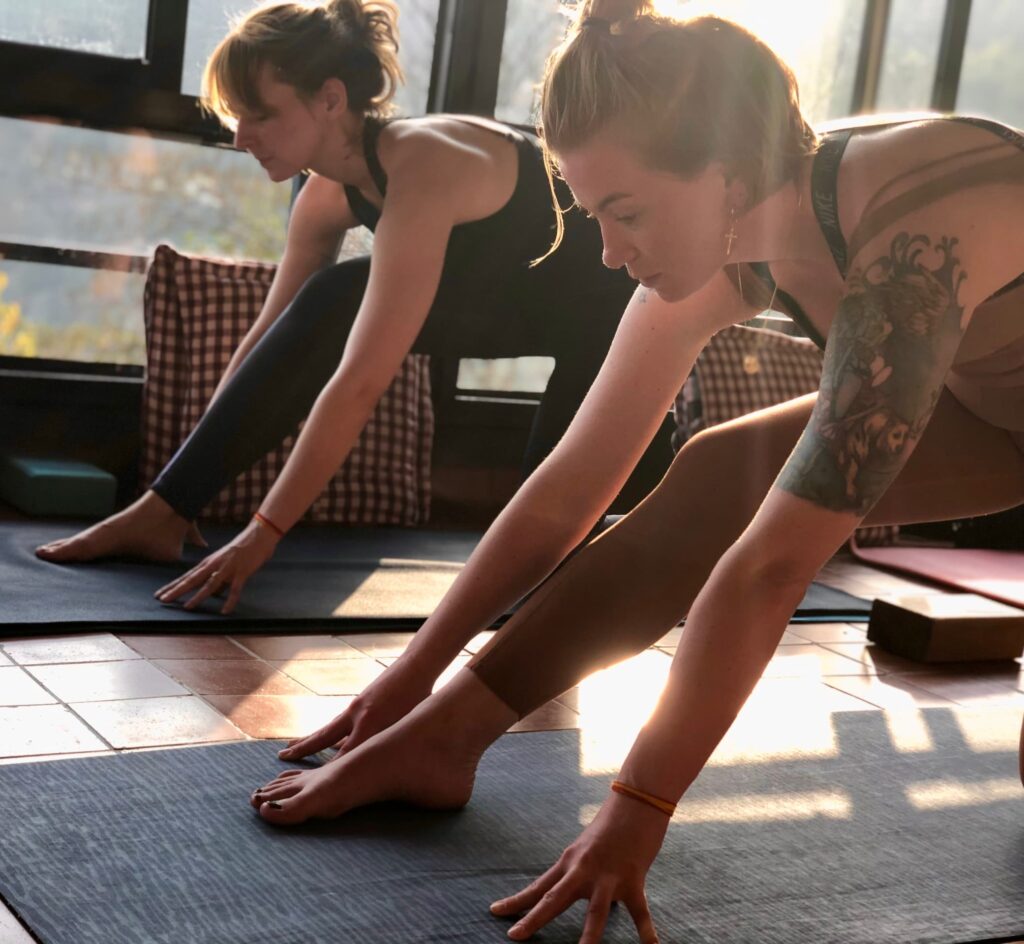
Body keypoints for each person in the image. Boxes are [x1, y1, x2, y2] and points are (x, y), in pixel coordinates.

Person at [241, 1, 1024, 940]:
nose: (611, 254)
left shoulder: (908, 230)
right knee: (714, 472)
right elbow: (572, 485)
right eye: (593, 215)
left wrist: (637, 805)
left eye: (627, 213)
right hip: (990, 414)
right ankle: (446, 745)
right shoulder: (738, 224)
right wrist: (415, 681)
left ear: (726, 175)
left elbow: (775, 567)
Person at [35, 0, 634, 613]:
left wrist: (263, 534)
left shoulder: (424, 164)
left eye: (261, 115)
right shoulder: (325, 198)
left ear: (329, 98)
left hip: (616, 317)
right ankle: (157, 520)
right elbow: (270, 338)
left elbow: (359, 382)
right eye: (237, 117)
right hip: (515, 306)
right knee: (331, 299)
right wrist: (182, 491)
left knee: (544, 569)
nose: (241, 137)